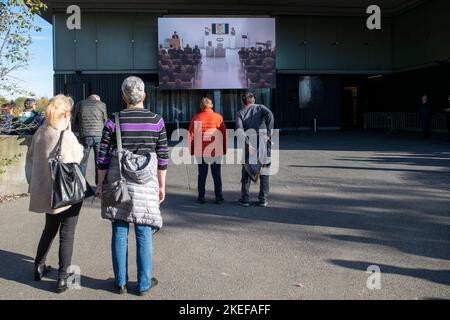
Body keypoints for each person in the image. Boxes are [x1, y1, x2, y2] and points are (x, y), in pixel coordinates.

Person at [96, 76, 168, 296]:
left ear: (124, 97)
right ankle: (144, 283)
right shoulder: (157, 120)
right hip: (146, 182)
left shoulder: (113, 120)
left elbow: (103, 156)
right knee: (144, 230)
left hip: (119, 182)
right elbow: (163, 156)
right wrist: (161, 186)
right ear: (144, 95)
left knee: (119, 229)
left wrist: (100, 183)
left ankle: (120, 283)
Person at [28, 95, 84, 293]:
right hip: (66, 193)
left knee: (49, 229)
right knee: (67, 234)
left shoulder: (40, 133)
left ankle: (38, 265)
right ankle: (62, 278)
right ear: (66, 114)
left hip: (47, 192)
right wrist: (71, 135)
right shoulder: (66, 136)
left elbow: (31, 157)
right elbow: (78, 157)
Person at [236, 92, 274, 207]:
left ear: (243, 102)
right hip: (263, 143)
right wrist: (269, 131)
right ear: (253, 100)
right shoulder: (261, 108)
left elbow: (239, 130)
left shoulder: (240, 113)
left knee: (247, 171)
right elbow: (270, 115)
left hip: (250, 143)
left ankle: (245, 199)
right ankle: (263, 199)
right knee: (265, 171)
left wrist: (248, 144)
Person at [189, 97, 227, 204]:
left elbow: (191, 135)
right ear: (212, 105)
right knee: (216, 174)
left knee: (202, 174)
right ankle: (219, 197)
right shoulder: (218, 117)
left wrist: (192, 150)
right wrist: (223, 149)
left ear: (201, 106)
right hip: (216, 150)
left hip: (201, 151)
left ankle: (201, 197)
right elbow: (223, 134)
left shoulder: (197, 118)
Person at [73, 94, 108, 184]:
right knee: (99, 161)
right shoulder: (102, 105)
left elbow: (75, 121)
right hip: (99, 136)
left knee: (83, 162)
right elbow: (105, 120)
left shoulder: (80, 104)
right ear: (97, 99)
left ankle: (81, 186)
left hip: (85, 136)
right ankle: (99, 185)